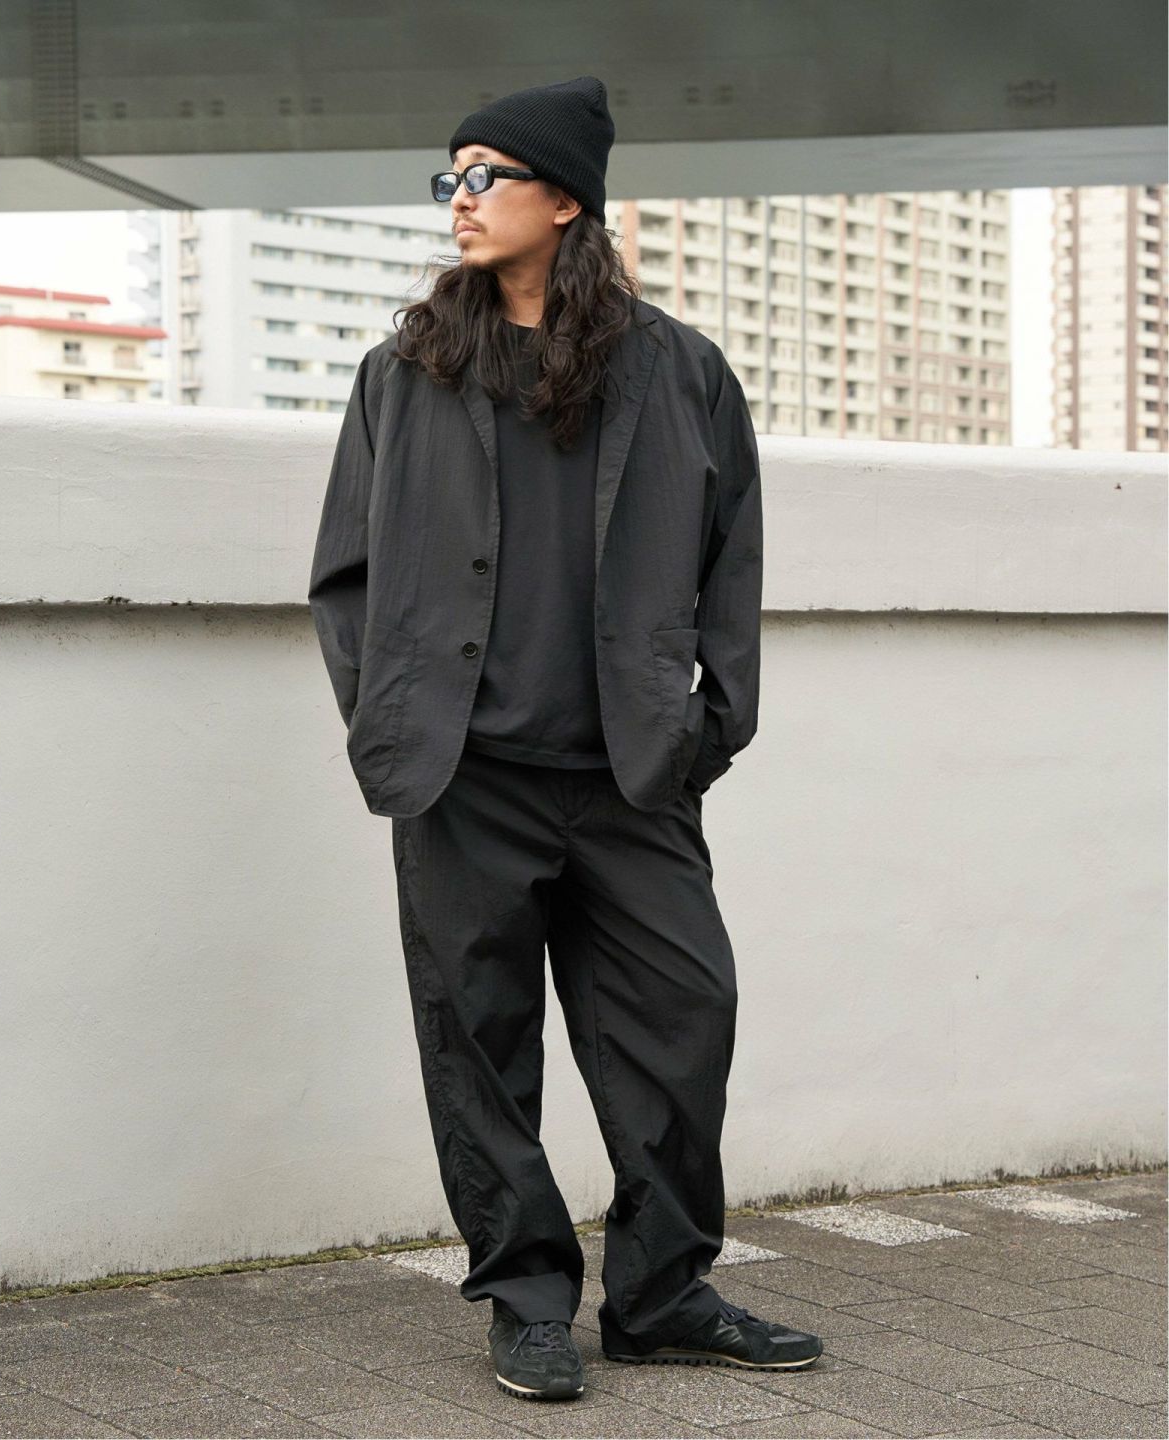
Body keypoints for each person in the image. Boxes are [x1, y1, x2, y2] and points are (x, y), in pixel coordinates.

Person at [308, 74, 823, 1404]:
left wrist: (711, 725)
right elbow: (346, 575)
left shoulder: (680, 372)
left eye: (488, 175)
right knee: (480, 1045)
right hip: (464, 778)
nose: (460, 199)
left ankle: (661, 1295)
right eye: (452, 177)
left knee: (684, 1021)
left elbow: (732, 561)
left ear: (566, 201)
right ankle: (528, 1298)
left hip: (630, 776)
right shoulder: (404, 374)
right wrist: (389, 714)